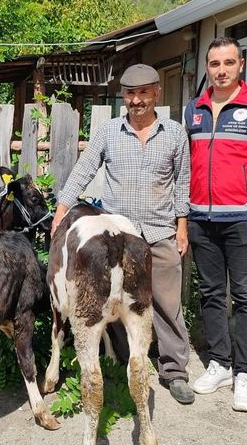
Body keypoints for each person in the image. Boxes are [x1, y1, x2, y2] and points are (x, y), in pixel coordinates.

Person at [51, 63, 195, 405]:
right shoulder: (108, 133)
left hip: (160, 232)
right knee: (111, 301)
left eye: (143, 92)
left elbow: (183, 183)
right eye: (130, 93)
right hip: (117, 237)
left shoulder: (174, 134)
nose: (136, 100)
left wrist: (182, 226)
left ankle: (174, 371)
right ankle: (122, 365)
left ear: (156, 93)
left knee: (167, 303)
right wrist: (61, 211)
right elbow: (84, 170)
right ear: (124, 97)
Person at [185, 37, 247, 412]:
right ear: (207, 68)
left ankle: (245, 373)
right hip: (201, 219)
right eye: (214, 64)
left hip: (244, 219)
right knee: (210, 293)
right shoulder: (193, 109)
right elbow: (186, 166)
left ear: (241, 65)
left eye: (228, 63)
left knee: (244, 297)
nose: (221, 70)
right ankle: (219, 364)